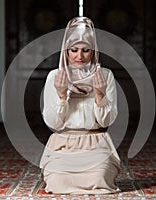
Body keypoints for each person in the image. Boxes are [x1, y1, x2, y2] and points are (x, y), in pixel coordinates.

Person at [39, 16, 121, 194]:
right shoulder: (55, 77)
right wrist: (62, 95)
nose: (79, 56)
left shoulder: (105, 76)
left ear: (93, 51)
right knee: (58, 180)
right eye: (74, 50)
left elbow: (107, 121)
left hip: (96, 143)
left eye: (85, 50)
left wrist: (100, 95)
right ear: (65, 51)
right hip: (63, 144)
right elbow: (53, 124)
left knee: (99, 177)